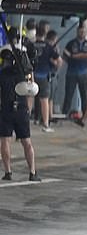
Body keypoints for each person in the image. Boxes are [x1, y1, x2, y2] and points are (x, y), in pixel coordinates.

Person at [0, 42, 41, 182]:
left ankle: (8, 172)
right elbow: (32, 90)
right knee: (27, 142)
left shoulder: (2, 73)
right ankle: (32, 172)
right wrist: (28, 109)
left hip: (5, 109)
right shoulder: (25, 74)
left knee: (5, 140)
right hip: (21, 110)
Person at [33, 29, 62, 133]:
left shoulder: (30, 45)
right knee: (44, 100)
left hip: (31, 76)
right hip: (44, 76)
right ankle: (45, 124)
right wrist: (54, 70)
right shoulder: (48, 47)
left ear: (36, 34)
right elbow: (59, 61)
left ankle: (25, 123)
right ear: (44, 35)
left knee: (28, 100)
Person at [62, 25, 87, 116]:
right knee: (68, 95)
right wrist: (72, 60)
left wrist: (83, 60)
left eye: (84, 32)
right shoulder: (71, 44)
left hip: (84, 73)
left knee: (84, 95)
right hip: (71, 72)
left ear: (86, 33)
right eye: (80, 31)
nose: (82, 33)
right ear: (77, 32)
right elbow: (65, 56)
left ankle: (85, 115)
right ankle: (65, 114)